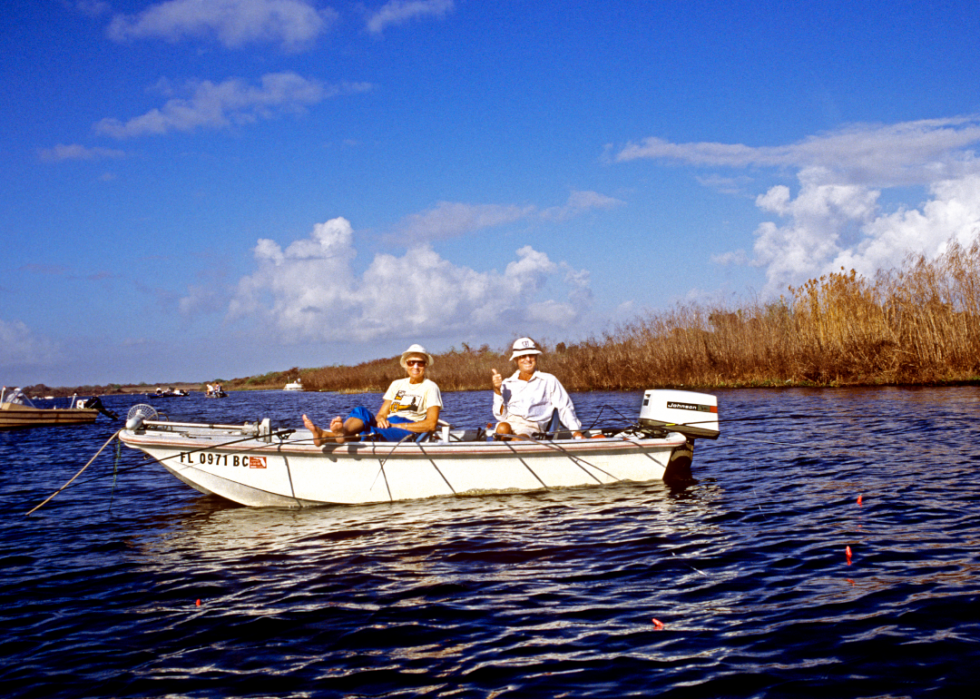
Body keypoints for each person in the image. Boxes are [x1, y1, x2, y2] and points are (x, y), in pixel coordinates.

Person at [303, 344, 443, 446]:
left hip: (408, 428)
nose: (416, 367)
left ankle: (327, 435)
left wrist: (400, 427)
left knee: (370, 430)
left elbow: (431, 424)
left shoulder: (430, 387)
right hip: (389, 423)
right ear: (406, 365)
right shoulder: (396, 384)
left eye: (420, 363)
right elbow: (381, 414)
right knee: (360, 411)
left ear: (425, 365)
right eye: (412, 363)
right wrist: (382, 418)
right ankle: (342, 432)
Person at [491, 337, 584, 440]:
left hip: (532, 427)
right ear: (516, 360)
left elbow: (565, 407)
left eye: (531, 355)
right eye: (523, 356)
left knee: (518, 440)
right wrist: (497, 390)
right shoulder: (507, 383)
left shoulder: (549, 380)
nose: (528, 359)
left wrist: (576, 432)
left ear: (536, 357)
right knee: (502, 427)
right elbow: (501, 417)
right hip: (510, 422)